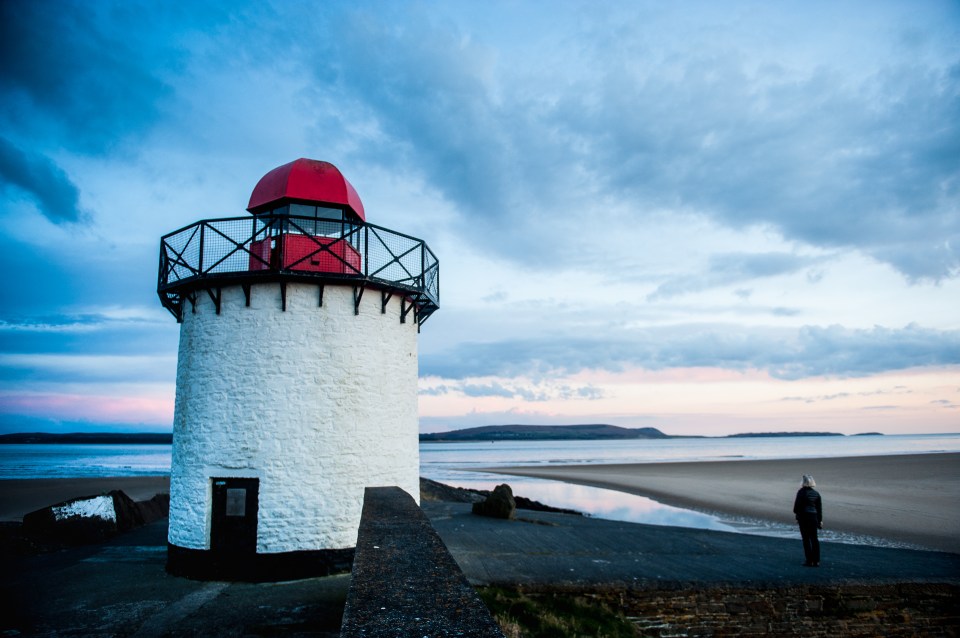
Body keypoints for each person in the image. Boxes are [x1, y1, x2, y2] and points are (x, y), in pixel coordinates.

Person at [793, 474, 823, 566]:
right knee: (814, 539)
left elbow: (796, 508)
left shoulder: (801, 492)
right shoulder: (816, 493)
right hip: (814, 517)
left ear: (803, 482)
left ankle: (809, 560)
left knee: (806, 539)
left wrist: (797, 515)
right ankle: (817, 561)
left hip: (804, 518)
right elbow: (819, 509)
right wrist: (820, 521)